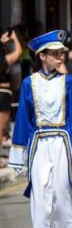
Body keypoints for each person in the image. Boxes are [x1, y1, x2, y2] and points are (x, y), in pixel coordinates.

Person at [10, 30, 72, 228]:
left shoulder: (69, 81)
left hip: (62, 141)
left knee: (62, 194)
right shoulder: (28, 83)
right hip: (39, 143)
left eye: (62, 53)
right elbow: (23, 119)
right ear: (42, 56)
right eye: (55, 54)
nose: (61, 57)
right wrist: (18, 154)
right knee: (40, 198)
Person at [0, 28, 22, 165]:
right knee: (0, 129)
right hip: (3, 94)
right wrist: (14, 37)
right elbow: (18, 52)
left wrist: (2, 42)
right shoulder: (2, 59)